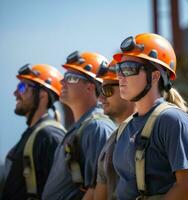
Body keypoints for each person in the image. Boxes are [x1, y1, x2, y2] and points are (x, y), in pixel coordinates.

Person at [112, 33, 188, 200]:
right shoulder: (126, 126)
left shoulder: (173, 121)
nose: (120, 76)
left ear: (154, 76)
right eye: (119, 69)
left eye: (129, 69)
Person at [42, 51, 116, 200]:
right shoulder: (83, 127)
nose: (62, 82)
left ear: (90, 87)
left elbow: (99, 189)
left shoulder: (98, 128)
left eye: (70, 78)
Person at [1, 64, 65, 200]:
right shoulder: (36, 134)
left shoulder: (50, 136)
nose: (15, 93)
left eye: (22, 88)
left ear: (42, 96)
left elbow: (60, 190)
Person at [94, 59, 135, 200]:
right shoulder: (110, 142)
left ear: (126, 87)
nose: (100, 98)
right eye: (100, 90)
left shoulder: (153, 131)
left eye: (107, 90)